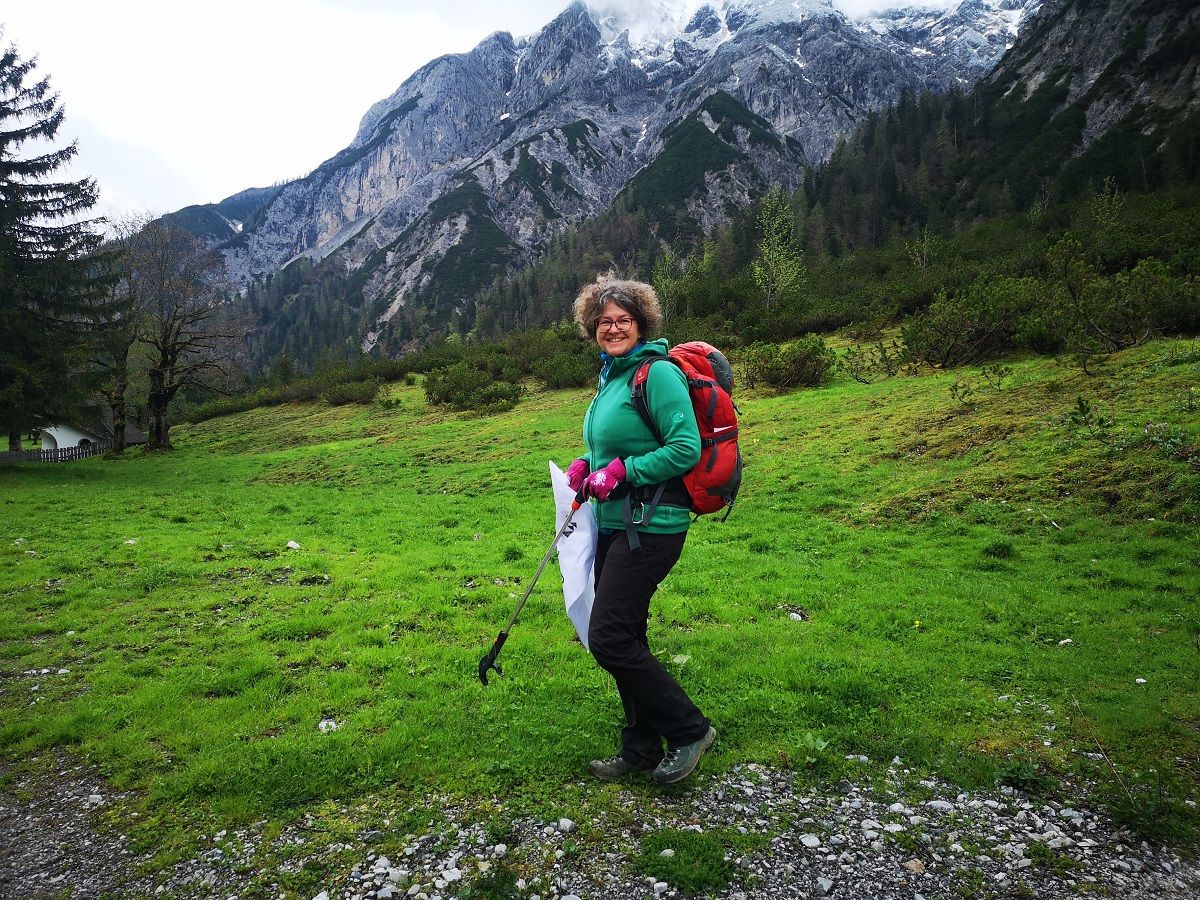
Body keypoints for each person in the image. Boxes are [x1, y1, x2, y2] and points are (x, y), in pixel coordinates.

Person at [565, 275, 716, 785]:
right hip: (614, 525)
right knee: (626, 633)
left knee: (608, 637)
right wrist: (588, 465)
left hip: (652, 525)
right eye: (604, 321)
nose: (613, 328)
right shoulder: (612, 377)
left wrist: (622, 473)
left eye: (623, 320)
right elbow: (615, 446)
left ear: (641, 322)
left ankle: (690, 729)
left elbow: (684, 449)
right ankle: (640, 748)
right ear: (593, 328)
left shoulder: (658, 375)